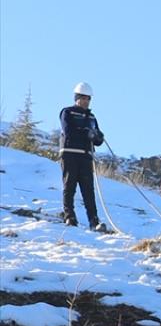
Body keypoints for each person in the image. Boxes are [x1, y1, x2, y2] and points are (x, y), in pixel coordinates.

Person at [59, 82, 106, 231]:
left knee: (88, 191)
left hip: (86, 157)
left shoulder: (92, 117)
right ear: (77, 98)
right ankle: (69, 217)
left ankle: (94, 222)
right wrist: (87, 133)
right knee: (69, 186)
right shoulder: (67, 112)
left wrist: (98, 137)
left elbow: (97, 140)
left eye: (88, 98)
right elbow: (68, 131)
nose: (86, 101)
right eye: (83, 98)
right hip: (70, 154)